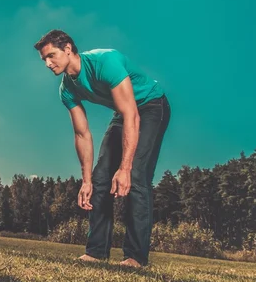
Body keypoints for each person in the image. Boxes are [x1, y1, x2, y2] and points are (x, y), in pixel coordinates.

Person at [34, 29, 170, 267]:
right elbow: (82, 134)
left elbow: (132, 115)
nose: (48, 63)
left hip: (150, 106)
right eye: (44, 59)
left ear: (67, 49)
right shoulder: (67, 89)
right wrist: (86, 180)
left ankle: (135, 256)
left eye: (51, 55)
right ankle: (96, 251)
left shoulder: (105, 62)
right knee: (99, 179)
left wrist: (125, 167)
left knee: (136, 176)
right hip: (123, 112)